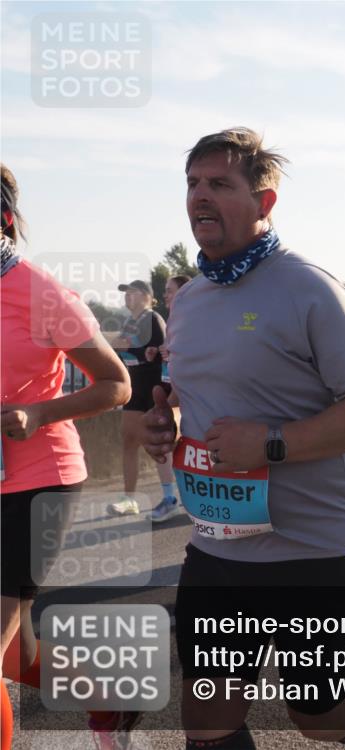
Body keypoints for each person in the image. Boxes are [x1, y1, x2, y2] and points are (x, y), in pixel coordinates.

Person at [140, 128, 345, 750]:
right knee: (208, 718)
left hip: (314, 543)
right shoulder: (189, 300)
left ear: (265, 203)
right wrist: (169, 422)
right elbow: (202, 395)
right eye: (192, 184)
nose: (200, 198)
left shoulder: (310, 288)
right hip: (218, 542)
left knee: (315, 716)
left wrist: (270, 444)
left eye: (220, 184)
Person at [1, 164, 132, 749]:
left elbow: (117, 384)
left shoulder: (39, 291)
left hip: (39, 478)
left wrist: (39, 414)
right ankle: (106, 698)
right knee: (14, 653)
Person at [105, 279, 175, 517]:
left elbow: (156, 352)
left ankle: (169, 497)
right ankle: (130, 499)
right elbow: (118, 346)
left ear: (147, 296)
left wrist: (130, 347)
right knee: (128, 440)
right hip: (134, 386)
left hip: (153, 386)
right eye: (125, 294)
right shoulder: (128, 322)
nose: (127, 297)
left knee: (157, 442)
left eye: (132, 292)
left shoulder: (153, 318)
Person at [143, 274, 191, 521]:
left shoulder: (195, 320)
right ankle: (171, 498)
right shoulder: (173, 321)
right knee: (166, 443)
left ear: (185, 292)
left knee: (184, 449)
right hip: (171, 391)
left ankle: (185, 499)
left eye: (170, 290)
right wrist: (159, 352)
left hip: (188, 395)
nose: (165, 295)